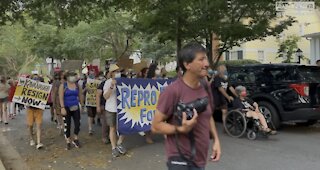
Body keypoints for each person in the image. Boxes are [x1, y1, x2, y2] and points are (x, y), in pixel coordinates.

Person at [152, 42, 221, 170]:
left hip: (200, 159)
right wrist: (180, 129)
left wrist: (216, 140)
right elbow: (155, 126)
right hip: (180, 159)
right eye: (201, 59)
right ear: (187, 64)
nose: (206, 63)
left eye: (205, 58)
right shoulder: (172, 91)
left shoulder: (205, 86)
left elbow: (208, 115)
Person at [103, 64, 127, 158]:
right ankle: (114, 148)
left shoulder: (124, 81)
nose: (118, 73)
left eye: (118, 71)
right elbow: (105, 96)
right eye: (116, 71)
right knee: (112, 128)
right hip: (111, 108)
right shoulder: (108, 83)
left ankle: (119, 143)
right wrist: (112, 86)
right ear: (111, 73)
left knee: (124, 127)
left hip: (123, 108)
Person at [59, 71, 84, 150]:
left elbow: (80, 95)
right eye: (71, 76)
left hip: (75, 106)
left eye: (74, 76)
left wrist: (82, 105)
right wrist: (62, 107)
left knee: (77, 123)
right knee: (67, 125)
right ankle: (68, 140)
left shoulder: (77, 85)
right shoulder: (63, 86)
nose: (73, 77)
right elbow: (61, 97)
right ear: (67, 77)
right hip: (66, 107)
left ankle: (75, 138)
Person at [27, 73, 45, 149]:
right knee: (30, 125)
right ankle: (31, 139)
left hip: (38, 110)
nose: (35, 79)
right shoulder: (27, 88)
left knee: (39, 125)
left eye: (37, 78)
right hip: (30, 109)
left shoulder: (42, 88)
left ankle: (39, 142)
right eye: (34, 78)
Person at [96, 71, 110, 144]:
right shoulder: (103, 84)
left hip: (113, 106)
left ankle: (110, 136)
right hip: (104, 105)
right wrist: (98, 106)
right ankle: (105, 137)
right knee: (105, 122)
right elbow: (98, 95)